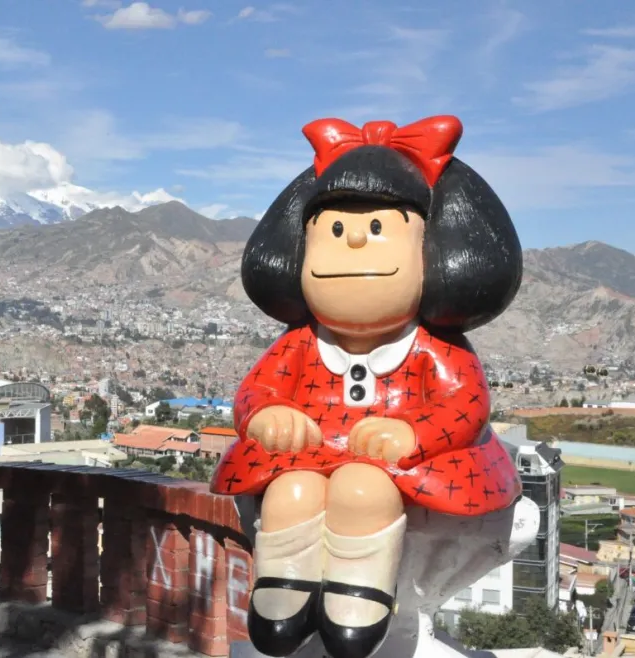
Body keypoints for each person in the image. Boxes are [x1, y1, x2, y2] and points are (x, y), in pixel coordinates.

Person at [210, 116, 524, 658]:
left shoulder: (433, 347)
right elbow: (257, 389)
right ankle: (283, 584)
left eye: (378, 228)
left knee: (363, 490)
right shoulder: (301, 343)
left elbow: (465, 404)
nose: (354, 238)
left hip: (400, 462)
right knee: (291, 492)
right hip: (308, 452)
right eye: (333, 231)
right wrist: (266, 414)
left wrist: (415, 433)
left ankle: (360, 589)